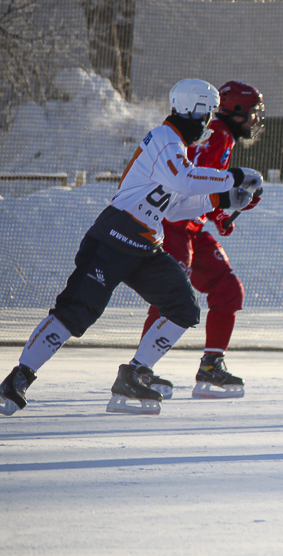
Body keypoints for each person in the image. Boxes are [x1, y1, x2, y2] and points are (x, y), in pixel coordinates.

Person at [0, 80, 262, 417]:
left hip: (144, 244)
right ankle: (19, 377)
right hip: (114, 236)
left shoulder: (178, 147)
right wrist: (234, 178)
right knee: (75, 312)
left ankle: (135, 374)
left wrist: (225, 199)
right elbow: (184, 179)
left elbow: (176, 206)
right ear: (195, 111)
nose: (210, 122)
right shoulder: (164, 139)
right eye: (207, 113)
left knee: (183, 308)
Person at [137, 79, 265, 400]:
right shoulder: (219, 134)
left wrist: (223, 211)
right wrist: (231, 189)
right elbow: (193, 178)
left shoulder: (222, 135)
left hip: (191, 226)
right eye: (251, 112)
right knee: (169, 297)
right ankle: (140, 371)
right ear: (234, 112)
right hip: (174, 223)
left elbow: (207, 185)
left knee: (227, 289)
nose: (254, 119)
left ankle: (211, 364)